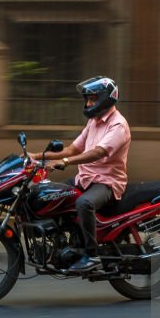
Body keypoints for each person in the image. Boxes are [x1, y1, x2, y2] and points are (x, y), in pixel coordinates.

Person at [40, 76, 131, 273]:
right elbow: (72, 149)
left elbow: (98, 152)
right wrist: (37, 157)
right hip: (85, 178)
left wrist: (64, 163)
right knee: (51, 194)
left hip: (107, 183)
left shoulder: (118, 125)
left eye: (93, 99)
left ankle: (92, 255)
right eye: (87, 99)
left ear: (106, 98)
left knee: (84, 203)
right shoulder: (94, 122)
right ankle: (68, 242)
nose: (89, 103)